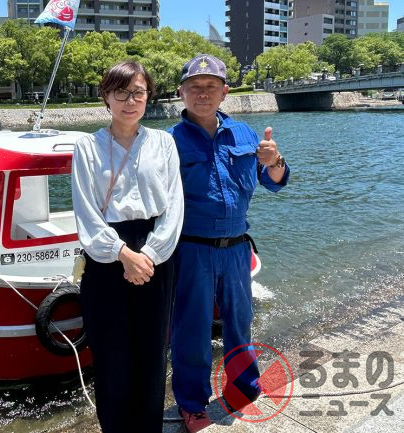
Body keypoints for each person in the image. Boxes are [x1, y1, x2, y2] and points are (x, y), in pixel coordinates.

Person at [169, 54, 290, 433]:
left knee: (240, 322)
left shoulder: (246, 135)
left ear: (224, 92)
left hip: (238, 248)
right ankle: (192, 404)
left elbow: (273, 182)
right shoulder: (168, 141)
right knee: (191, 329)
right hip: (192, 249)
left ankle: (244, 389)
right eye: (194, 87)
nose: (202, 94)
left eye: (211, 87)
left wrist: (275, 160)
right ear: (181, 93)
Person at [71, 60, 184, 433]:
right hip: (106, 256)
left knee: (153, 353)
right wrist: (122, 254)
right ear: (106, 97)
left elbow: (174, 206)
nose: (130, 101)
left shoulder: (164, 143)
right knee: (111, 354)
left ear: (149, 96)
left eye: (138, 92)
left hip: (156, 255)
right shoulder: (87, 147)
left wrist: (148, 254)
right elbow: (86, 212)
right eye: (121, 92)